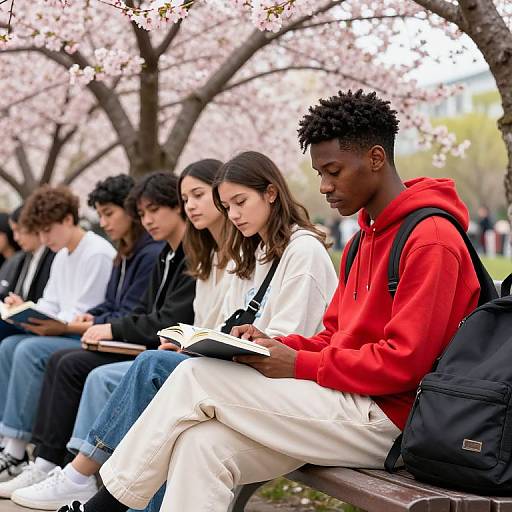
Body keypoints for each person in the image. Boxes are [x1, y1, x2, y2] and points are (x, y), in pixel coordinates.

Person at [59, 90, 482, 512]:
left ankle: (101, 508)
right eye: (319, 172)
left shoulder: (431, 240)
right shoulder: (362, 241)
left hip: (392, 419)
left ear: (375, 158)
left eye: (333, 171)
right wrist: (275, 346)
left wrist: (297, 364)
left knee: (195, 378)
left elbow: (404, 363)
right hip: (345, 401)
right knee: (200, 444)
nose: (324, 186)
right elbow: (335, 336)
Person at [41, 150, 337, 512]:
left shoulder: (301, 250)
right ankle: (97, 488)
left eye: (240, 202)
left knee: (155, 369)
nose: (235, 215)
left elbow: (286, 343)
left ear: (271, 193)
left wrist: (207, 350)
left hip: (287, 386)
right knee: (175, 403)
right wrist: (194, 347)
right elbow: (232, 323)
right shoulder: (260, 250)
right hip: (250, 373)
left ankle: (83, 479)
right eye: (227, 207)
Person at [4, 171, 197, 508]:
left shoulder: (149, 253)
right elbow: (126, 308)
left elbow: (156, 318)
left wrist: (96, 325)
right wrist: (96, 320)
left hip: (154, 348)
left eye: (111, 214)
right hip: (133, 341)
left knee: (68, 364)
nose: (146, 219)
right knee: (35, 352)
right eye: (142, 212)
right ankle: (48, 462)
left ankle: (69, 470)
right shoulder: (147, 253)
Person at [0, 185, 116, 481]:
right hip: (62, 330)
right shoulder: (62, 254)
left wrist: (48, 319)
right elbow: (51, 303)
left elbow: (86, 313)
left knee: (25, 350)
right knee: (10, 345)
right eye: (39, 232)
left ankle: (15, 450)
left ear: (67, 219)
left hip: (85, 334)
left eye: (48, 230)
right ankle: (8, 440)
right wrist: (25, 308)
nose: (44, 239)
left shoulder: (97, 253)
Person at [0, 205, 55, 341]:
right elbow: (12, 293)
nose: (16, 237)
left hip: (40, 323)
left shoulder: (52, 256)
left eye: (19, 231)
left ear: (34, 227)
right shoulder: (25, 257)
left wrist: (22, 306)